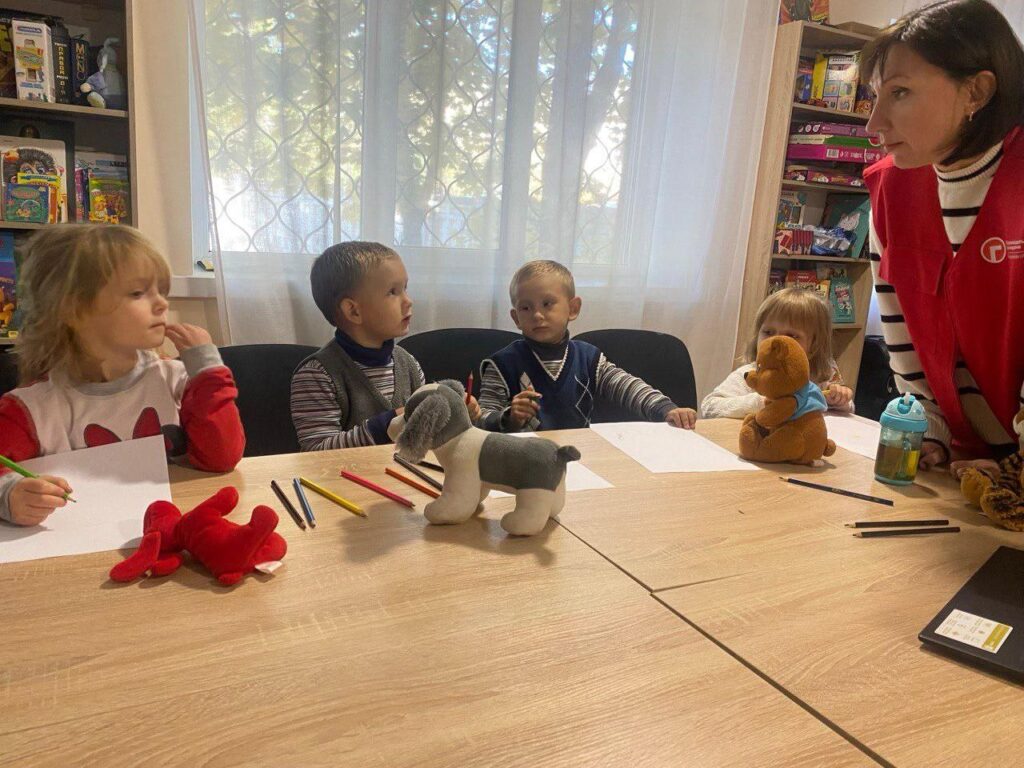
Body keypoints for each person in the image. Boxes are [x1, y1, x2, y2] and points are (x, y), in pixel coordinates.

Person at [862, 0, 1024, 475]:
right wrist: (929, 429)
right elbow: (902, 333)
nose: (874, 124)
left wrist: (1017, 471)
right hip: (964, 459)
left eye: (900, 93)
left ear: (976, 91)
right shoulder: (889, 190)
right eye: (876, 95)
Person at [0, 224, 245, 526]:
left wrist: (208, 372)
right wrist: (10, 495)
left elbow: (222, 459)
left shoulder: (177, 379)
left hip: (177, 530)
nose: (162, 303)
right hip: (86, 542)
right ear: (74, 310)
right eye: (138, 293)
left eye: (161, 291)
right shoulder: (30, 409)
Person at [291, 241, 480, 450]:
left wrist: (456, 414)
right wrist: (389, 425)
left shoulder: (408, 363)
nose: (408, 301)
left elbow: (426, 436)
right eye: (392, 292)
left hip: (402, 470)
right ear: (353, 311)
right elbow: (316, 450)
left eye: (405, 289)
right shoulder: (317, 375)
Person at [478, 259, 697, 432]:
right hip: (523, 460)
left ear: (573, 309)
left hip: (578, 458)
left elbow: (627, 387)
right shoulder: (503, 364)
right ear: (516, 318)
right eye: (526, 308)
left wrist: (666, 409)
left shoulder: (588, 358)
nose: (537, 315)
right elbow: (481, 420)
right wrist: (509, 417)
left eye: (547, 304)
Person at [701, 288, 853, 419]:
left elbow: (847, 409)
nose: (775, 342)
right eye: (768, 332)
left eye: (791, 336)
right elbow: (709, 407)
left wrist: (840, 401)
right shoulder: (749, 375)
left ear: (813, 345)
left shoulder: (816, 377)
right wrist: (759, 402)